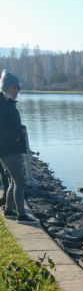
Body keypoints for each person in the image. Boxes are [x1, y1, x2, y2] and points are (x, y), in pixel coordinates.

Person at [0, 69, 33, 222]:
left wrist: (21, 129)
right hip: (8, 150)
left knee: (14, 181)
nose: (17, 91)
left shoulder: (6, 103)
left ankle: (8, 211)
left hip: (8, 149)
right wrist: (18, 135)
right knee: (20, 182)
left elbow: (10, 125)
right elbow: (4, 129)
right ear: (5, 87)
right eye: (14, 87)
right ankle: (21, 215)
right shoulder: (3, 105)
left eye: (18, 88)